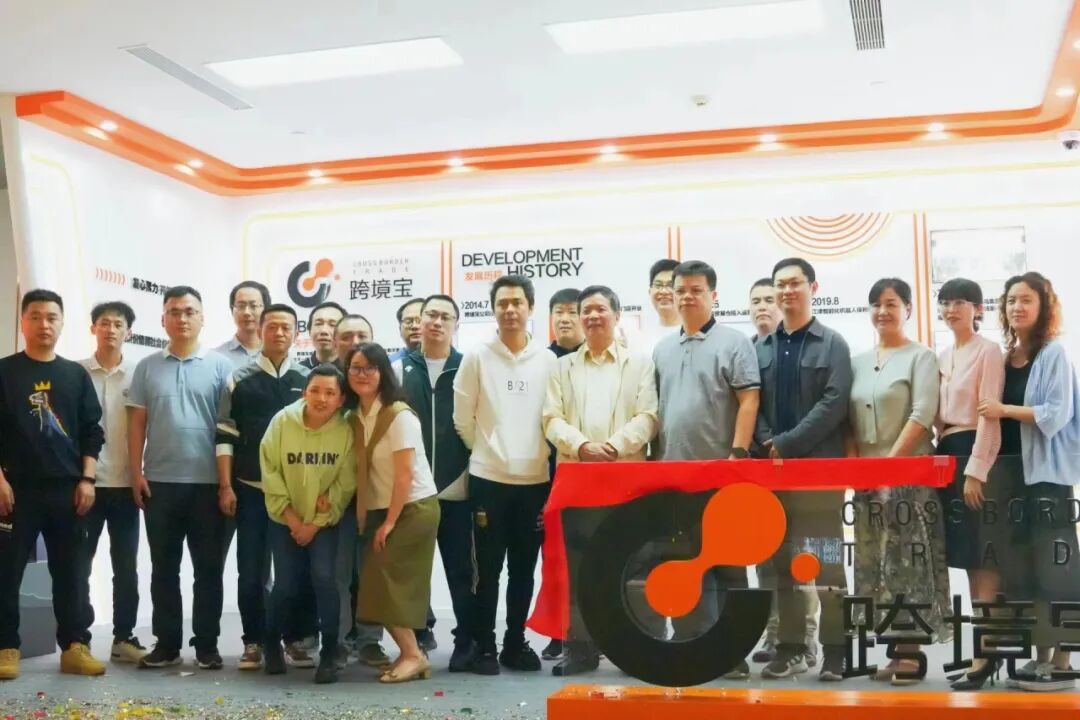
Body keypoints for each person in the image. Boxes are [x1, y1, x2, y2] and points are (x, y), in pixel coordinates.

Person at [543, 285, 658, 676]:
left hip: (627, 481)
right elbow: (551, 419)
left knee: (632, 562)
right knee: (579, 567)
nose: (592, 316)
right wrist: (582, 446)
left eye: (600, 309)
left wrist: (613, 446)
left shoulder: (639, 364)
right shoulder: (561, 367)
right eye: (585, 310)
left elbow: (649, 416)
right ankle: (580, 648)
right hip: (578, 481)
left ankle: (633, 646)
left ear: (616, 315)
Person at [653, 260, 760, 678]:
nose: (687, 297)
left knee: (728, 565)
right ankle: (690, 644)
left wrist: (738, 453)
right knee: (683, 560)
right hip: (673, 477)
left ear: (713, 295)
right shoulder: (662, 348)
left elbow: (749, 400)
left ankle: (731, 652)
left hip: (721, 473)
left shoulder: (735, 342)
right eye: (680, 290)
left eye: (696, 290)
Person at [977, 272, 1080, 692]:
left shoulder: (1053, 353)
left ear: (1043, 307)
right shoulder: (1006, 358)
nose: (1017, 307)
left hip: (1048, 480)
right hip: (1012, 480)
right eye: (1011, 300)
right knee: (1024, 572)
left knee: (1057, 569)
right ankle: (1039, 658)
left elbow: (1055, 414)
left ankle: (1063, 662)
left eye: (1026, 300)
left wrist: (1003, 409)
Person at [847, 278, 950, 686]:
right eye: (875, 304)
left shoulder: (921, 357)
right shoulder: (856, 361)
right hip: (867, 482)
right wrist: (859, 472)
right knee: (876, 565)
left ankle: (912, 653)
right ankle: (894, 651)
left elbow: (922, 414)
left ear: (907, 308)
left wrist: (887, 471)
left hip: (909, 478)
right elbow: (847, 422)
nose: (882, 311)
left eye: (891, 303)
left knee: (909, 565)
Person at [454, 274, 558, 675]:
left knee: (523, 570)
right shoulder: (477, 357)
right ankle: (485, 646)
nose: (510, 310)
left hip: (534, 482)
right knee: (488, 571)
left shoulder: (547, 360)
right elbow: (463, 420)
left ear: (531, 308)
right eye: (503, 303)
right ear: (493, 309)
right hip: (489, 481)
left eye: (517, 303)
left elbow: (553, 418)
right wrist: (488, 452)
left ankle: (515, 643)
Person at [0, 290, 106, 680]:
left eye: (51, 317)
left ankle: (75, 646)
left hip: (68, 490)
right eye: (35, 316)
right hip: (15, 491)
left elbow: (92, 431)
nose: (44, 324)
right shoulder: (5, 372)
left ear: (61, 323)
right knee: (6, 572)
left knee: (72, 573)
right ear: (22, 322)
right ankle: (6, 646)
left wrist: (88, 479)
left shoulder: (74, 375)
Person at [753, 258, 850, 682]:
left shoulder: (832, 344)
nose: (787, 291)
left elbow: (834, 403)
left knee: (825, 564)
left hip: (818, 477)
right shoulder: (759, 348)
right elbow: (750, 402)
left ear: (813, 287)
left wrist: (787, 443)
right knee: (781, 564)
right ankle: (791, 648)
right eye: (781, 284)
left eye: (795, 283)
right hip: (772, 476)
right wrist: (767, 441)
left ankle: (837, 651)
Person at [128, 286, 234, 670]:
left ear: (202, 318)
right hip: (159, 483)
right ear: (163, 319)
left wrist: (226, 483)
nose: (182, 318)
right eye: (174, 311)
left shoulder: (222, 366)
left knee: (209, 570)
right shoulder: (146, 367)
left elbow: (228, 428)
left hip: (208, 485)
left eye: (190, 311)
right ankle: (167, 644)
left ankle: (207, 645)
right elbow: (137, 423)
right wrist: (135, 473)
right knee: (163, 569)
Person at [215, 304, 309, 671]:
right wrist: (226, 485)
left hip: (296, 495)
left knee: (293, 571)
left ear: (296, 333)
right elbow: (225, 434)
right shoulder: (239, 379)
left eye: (287, 327)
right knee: (251, 571)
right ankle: (253, 641)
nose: (279, 333)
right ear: (261, 330)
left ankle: (294, 639)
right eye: (273, 326)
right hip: (250, 490)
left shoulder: (308, 380)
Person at [348, 344, 441, 683]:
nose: (362, 374)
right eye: (355, 367)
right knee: (377, 584)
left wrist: (389, 523)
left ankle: (413, 654)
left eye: (370, 368)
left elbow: (404, 475)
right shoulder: (355, 415)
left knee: (385, 582)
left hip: (412, 509)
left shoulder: (399, 415)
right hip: (380, 508)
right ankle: (410, 653)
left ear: (383, 372)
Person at [394, 294, 477, 671]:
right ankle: (415, 644)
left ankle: (467, 640)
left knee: (462, 571)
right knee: (412, 573)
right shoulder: (398, 369)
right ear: (420, 320)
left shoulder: (469, 367)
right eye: (431, 315)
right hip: (413, 491)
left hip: (458, 488)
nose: (437, 322)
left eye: (446, 316)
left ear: (456, 324)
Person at [260, 365, 356, 684]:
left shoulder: (347, 429)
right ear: (304, 393)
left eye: (330, 393)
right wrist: (291, 518)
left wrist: (314, 524)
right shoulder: (282, 421)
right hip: (284, 518)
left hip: (324, 523)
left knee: (326, 579)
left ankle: (329, 652)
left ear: (341, 398)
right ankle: (271, 644)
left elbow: (346, 482)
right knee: (286, 584)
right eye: (315, 390)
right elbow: (270, 472)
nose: (321, 398)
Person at [932, 278, 1005, 691]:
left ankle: (987, 651)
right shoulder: (942, 355)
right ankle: (984, 650)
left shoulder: (987, 350)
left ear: (978, 308)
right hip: (947, 454)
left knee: (983, 557)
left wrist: (976, 469)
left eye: (960, 302)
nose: (950, 309)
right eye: (945, 302)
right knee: (967, 557)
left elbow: (988, 414)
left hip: (974, 453)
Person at [79, 301, 147, 664]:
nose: (110, 330)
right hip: (84, 484)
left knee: (125, 567)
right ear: (93, 328)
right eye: (104, 323)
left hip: (125, 485)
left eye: (118, 324)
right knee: (79, 565)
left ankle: (124, 636)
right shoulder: (75, 373)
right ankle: (78, 637)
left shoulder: (139, 374)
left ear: (128, 332)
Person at [331, 314, 390, 665]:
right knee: (337, 575)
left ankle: (369, 640)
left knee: (371, 574)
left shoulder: (385, 395)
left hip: (376, 498)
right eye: (347, 336)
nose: (354, 342)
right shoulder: (329, 386)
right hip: (336, 500)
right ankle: (336, 641)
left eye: (361, 335)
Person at [215, 281, 271, 368]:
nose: (246, 312)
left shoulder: (279, 355)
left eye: (253, 306)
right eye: (241, 306)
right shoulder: (217, 357)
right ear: (232, 310)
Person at [301, 302, 347, 370]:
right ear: (309, 331)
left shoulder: (353, 371)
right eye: (318, 324)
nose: (324, 331)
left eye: (332, 325)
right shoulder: (297, 372)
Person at [548, 288, 584, 358]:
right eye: (559, 312)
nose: (565, 319)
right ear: (551, 317)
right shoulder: (543, 359)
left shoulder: (596, 356)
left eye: (572, 312)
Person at [389, 299, 424, 363]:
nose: (415, 326)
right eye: (408, 321)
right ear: (400, 329)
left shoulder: (444, 361)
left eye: (421, 321)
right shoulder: (389, 363)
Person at [749, 277, 782, 343]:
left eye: (769, 301)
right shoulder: (743, 346)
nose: (762, 307)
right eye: (756, 302)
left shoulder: (799, 344)